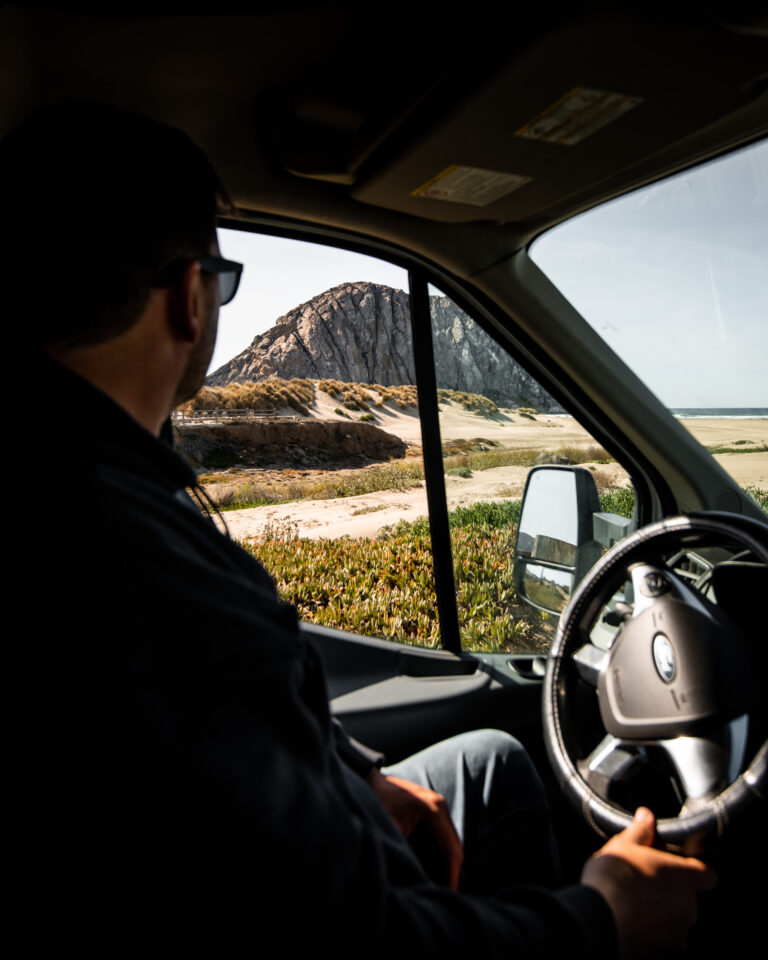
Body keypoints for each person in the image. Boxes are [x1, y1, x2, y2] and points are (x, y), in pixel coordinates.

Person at [4, 103, 715, 959]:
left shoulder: (79, 494)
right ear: (190, 297)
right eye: (224, 282)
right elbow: (359, 947)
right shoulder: (140, 562)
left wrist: (357, 776)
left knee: (490, 758)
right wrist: (603, 918)